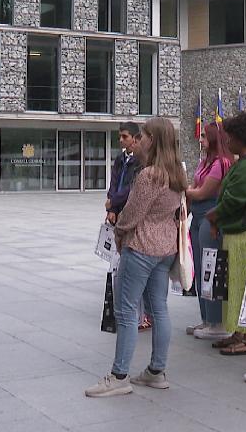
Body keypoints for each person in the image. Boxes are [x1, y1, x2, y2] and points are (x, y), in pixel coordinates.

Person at [85, 117, 186, 398]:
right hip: (165, 248)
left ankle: (119, 376)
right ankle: (156, 371)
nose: (138, 141)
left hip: (141, 246)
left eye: (141, 137)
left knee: (127, 311)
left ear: (152, 140)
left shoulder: (149, 175)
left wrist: (119, 233)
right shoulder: (176, 173)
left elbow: (132, 214)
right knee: (159, 308)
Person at [206, 111, 246, 356]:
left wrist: (214, 214)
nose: (227, 141)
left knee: (244, 285)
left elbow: (235, 198)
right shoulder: (244, 162)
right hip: (236, 232)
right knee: (235, 284)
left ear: (242, 138)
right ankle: (239, 332)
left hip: (245, 233)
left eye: (230, 137)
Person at [186, 122, 233, 340]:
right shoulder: (205, 161)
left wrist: (186, 189)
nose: (201, 139)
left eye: (205, 136)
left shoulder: (221, 162)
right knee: (200, 267)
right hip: (197, 216)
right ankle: (206, 318)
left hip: (210, 216)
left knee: (211, 267)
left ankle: (216, 321)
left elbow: (204, 192)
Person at [106, 122, 152, 331]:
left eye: (125, 137)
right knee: (119, 263)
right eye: (120, 137)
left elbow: (131, 188)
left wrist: (114, 200)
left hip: (132, 214)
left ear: (136, 138)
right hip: (118, 211)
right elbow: (114, 182)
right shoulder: (120, 159)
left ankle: (143, 313)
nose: (122, 140)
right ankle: (126, 307)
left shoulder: (141, 163)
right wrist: (111, 206)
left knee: (135, 266)